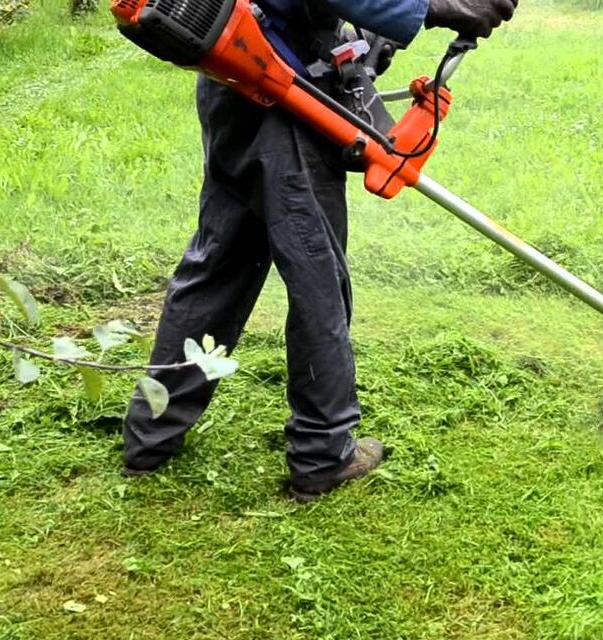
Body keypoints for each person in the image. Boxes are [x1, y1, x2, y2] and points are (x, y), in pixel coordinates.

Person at [122, 0, 518, 501]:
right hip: (281, 93)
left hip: (236, 78)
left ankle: (152, 433)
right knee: (316, 281)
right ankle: (323, 453)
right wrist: (436, 8)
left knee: (219, 264)